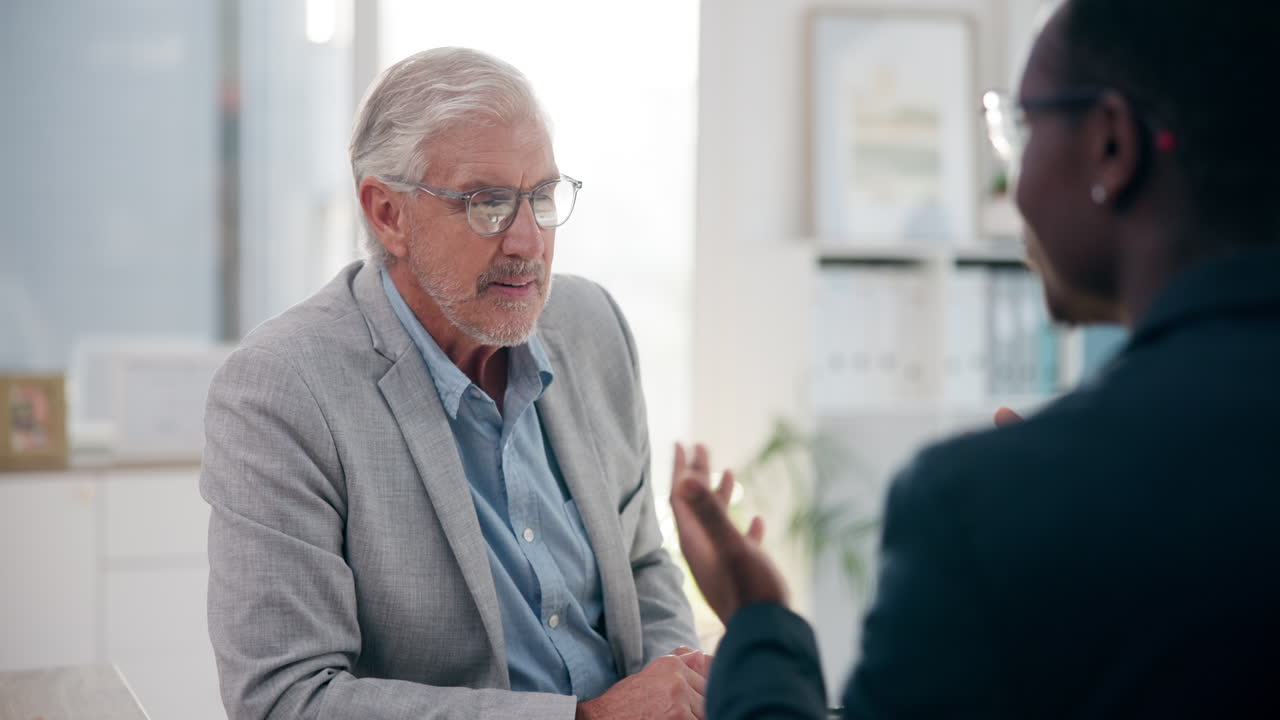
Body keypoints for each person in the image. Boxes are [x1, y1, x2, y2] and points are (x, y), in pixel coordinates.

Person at [671, 0, 1280, 717]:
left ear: (1112, 146)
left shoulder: (993, 509)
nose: (1010, 186)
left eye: (1019, 128)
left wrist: (758, 619)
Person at [201, 47, 707, 720]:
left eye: (543, 197)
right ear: (388, 214)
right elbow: (286, 701)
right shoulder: (282, 390)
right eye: (489, 203)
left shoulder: (594, 327)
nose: (528, 241)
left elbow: (644, 567)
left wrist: (684, 687)